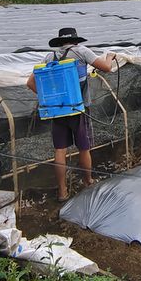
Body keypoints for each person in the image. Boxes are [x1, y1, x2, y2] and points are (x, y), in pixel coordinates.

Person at [26, 27, 117, 201]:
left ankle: (62, 192)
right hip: (78, 109)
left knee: (60, 150)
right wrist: (110, 56)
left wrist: (49, 99)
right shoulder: (81, 51)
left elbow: (30, 83)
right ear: (75, 40)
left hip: (58, 110)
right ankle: (88, 181)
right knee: (83, 147)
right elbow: (106, 67)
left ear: (59, 42)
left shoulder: (49, 57)